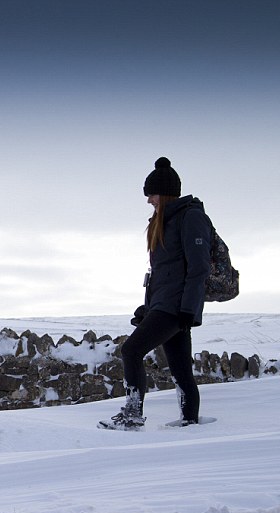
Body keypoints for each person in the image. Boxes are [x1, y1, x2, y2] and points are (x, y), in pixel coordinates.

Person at [98, 157, 212, 430]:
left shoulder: (191, 217)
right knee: (181, 368)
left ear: (166, 192)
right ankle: (190, 422)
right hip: (166, 305)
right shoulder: (162, 222)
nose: (149, 200)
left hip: (176, 308)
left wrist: (188, 309)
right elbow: (162, 273)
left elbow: (199, 267)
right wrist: (148, 308)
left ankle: (132, 415)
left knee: (131, 350)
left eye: (152, 194)